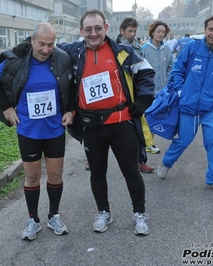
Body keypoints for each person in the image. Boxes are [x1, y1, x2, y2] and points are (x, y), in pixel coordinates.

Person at [58, 9, 155, 236]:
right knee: (97, 173)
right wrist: (27, 44)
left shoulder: (123, 51)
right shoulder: (74, 52)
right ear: (81, 31)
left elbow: (147, 73)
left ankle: (139, 213)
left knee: (131, 171)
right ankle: (104, 212)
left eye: (98, 28)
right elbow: (47, 45)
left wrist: (142, 101)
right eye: (89, 29)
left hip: (121, 123)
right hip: (91, 126)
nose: (94, 33)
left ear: (106, 28)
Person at [0, 22, 74, 240]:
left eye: (50, 45)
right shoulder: (15, 61)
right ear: (32, 40)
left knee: (55, 175)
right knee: (32, 177)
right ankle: (33, 219)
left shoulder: (61, 58)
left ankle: (54, 215)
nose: (46, 50)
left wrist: (71, 110)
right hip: (28, 131)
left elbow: (71, 86)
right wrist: (6, 108)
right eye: (41, 44)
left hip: (54, 130)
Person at [157, 15, 213, 194]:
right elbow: (177, 70)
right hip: (188, 106)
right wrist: (181, 91)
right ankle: (166, 163)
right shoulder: (192, 47)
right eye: (211, 29)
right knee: (183, 140)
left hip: (211, 108)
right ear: (205, 29)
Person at [119, 17, 155, 174]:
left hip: (135, 97)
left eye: (134, 31)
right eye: (129, 31)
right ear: (122, 32)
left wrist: (143, 98)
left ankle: (141, 161)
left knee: (138, 129)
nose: (133, 34)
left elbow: (144, 74)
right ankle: (93, 160)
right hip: (119, 97)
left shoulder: (139, 50)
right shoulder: (114, 49)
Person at [141, 21, 174, 154]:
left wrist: (167, 80)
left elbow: (171, 67)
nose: (161, 34)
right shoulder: (144, 49)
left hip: (162, 91)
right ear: (152, 32)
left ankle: (149, 144)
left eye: (163, 32)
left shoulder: (168, 50)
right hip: (147, 90)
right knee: (146, 117)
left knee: (155, 117)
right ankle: (144, 143)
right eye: (158, 31)